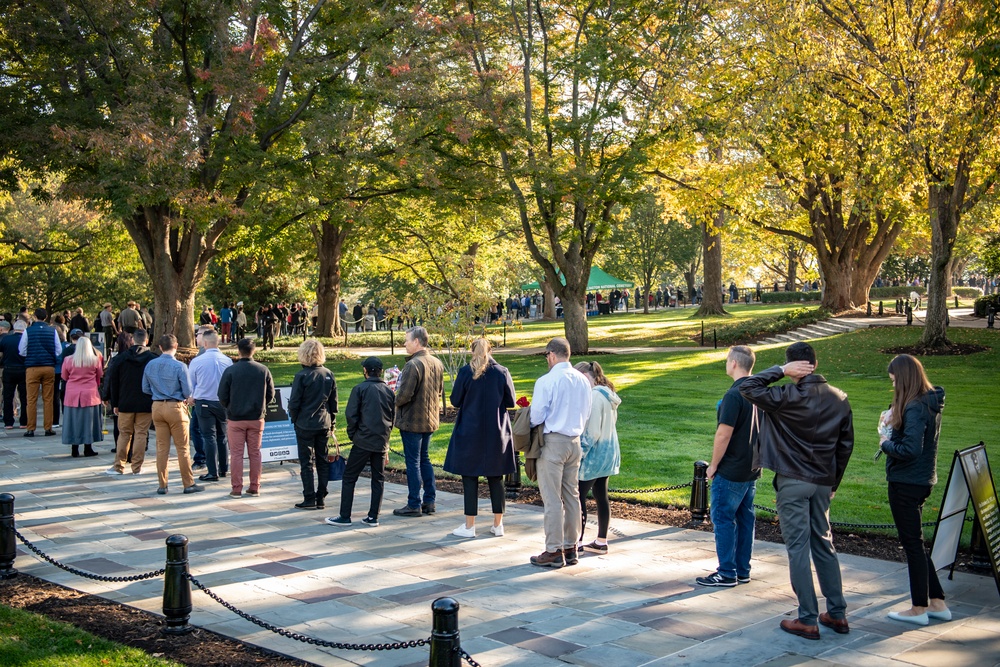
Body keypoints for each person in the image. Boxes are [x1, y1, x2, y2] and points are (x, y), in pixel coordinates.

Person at [740, 342, 853, 640]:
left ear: (795, 366)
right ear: (815, 363)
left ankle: (807, 618)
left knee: (798, 549)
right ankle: (837, 613)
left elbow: (747, 386)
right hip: (822, 482)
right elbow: (845, 446)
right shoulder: (840, 398)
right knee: (823, 543)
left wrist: (779, 371)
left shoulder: (785, 394)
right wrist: (833, 484)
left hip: (793, 480)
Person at [880, 354, 950, 626]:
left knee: (912, 545)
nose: (894, 385)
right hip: (921, 480)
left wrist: (885, 442)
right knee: (917, 544)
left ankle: (919, 607)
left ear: (904, 378)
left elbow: (910, 450)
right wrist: (892, 418)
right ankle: (938, 602)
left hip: (907, 483)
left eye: (895, 380)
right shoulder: (926, 402)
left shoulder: (915, 407)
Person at [698, 346, 760, 587]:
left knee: (723, 518)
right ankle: (742, 570)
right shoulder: (757, 392)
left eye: (727, 360)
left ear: (734, 363)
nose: (726, 363)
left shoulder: (734, 395)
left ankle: (726, 572)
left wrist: (714, 465)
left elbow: (723, 434)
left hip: (732, 468)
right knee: (745, 519)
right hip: (751, 467)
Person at [528, 337, 593, 568]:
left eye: (547, 356)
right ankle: (570, 546)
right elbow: (587, 412)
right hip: (575, 441)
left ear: (552, 355)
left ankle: (554, 549)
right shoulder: (583, 380)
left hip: (553, 441)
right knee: (572, 496)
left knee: (552, 498)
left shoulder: (547, 381)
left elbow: (536, 416)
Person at [443, 338, 516, 538]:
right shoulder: (502, 372)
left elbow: (455, 400)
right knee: (496, 478)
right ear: (490, 351)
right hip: (496, 430)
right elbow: (510, 401)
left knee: (469, 478)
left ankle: (469, 526)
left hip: (470, 430)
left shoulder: (466, 372)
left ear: (472, 351)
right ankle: (498, 524)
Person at [325, 357, 395, 527]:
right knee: (378, 479)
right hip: (380, 440)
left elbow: (351, 415)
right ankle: (373, 516)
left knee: (349, 477)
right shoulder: (388, 391)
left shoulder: (360, 389)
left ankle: (345, 515)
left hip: (363, 441)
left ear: (366, 371)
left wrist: (353, 435)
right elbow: (392, 417)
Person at [392, 326, 445, 517]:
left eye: (407, 340)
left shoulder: (413, 365)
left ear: (416, 342)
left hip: (412, 420)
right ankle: (429, 501)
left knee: (413, 461)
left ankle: (414, 503)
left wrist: (393, 399)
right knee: (424, 459)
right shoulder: (437, 363)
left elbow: (404, 395)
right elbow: (439, 390)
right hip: (429, 419)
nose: (404, 343)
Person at [142, 334, 203, 495]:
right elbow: (188, 391)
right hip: (175, 406)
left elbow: (145, 388)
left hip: (157, 406)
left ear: (160, 347)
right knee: (182, 448)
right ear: (176, 346)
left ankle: (162, 485)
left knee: (162, 448)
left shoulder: (150, 365)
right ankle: (188, 483)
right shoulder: (180, 366)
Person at [573, 360, 621, 553]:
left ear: (585, 377)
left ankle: (576, 541)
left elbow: (592, 432)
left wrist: (579, 453)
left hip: (594, 456)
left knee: (578, 497)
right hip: (609, 453)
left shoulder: (593, 397)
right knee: (602, 496)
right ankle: (601, 540)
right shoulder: (607, 394)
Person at [218, 338, 275, 498]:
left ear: (238, 351)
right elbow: (270, 394)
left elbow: (222, 394)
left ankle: (236, 488)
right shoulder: (263, 370)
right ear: (254, 350)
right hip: (256, 417)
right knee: (255, 452)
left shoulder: (231, 371)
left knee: (236, 454)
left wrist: (230, 406)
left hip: (235, 417)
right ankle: (255, 486)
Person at [287, 339, 338, 510]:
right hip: (323, 422)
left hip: (305, 423)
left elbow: (294, 402)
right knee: (322, 460)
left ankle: (309, 497)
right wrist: (333, 423)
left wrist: (294, 419)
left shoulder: (301, 376)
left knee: (306, 462)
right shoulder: (328, 374)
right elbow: (333, 403)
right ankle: (321, 495)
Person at [104, 329, 156, 475]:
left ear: (132, 340)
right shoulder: (152, 358)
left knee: (124, 434)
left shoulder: (120, 359)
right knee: (141, 433)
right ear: (146, 341)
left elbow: (114, 382)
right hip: (146, 402)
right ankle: (137, 467)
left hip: (125, 402)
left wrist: (115, 403)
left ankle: (118, 465)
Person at [188, 330, 233, 482]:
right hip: (222, 403)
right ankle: (224, 468)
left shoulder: (197, 361)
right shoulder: (227, 360)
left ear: (205, 343)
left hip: (204, 402)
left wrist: (192, 396)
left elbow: (191, 383)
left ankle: (212, 471)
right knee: (222, 436)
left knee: (209, 437)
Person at [19, 308, 61, 438]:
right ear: (46, 317)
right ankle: (48, 428)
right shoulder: (52, 331)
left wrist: (31, 355)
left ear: (35, 317)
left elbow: (22, 350)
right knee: (48, 399)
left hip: (32, 367)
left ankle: (30, 428)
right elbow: (58, 350)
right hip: (48, 367)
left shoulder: (28, 331)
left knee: (31, 399)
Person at [60, 335, 104, 458]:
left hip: (72, 393)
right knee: (89, 421)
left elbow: (64, 376)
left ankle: (74, 448)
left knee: (73, 421)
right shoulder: (95, 360)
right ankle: (88, 447)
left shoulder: (68, 360)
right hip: (90, 393)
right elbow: (99, 375)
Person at [1, 320, 27, 430]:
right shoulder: (26, 339)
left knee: (8, 396)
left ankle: (8, 422)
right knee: (24, 397)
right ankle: (24, 421)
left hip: (8, 369)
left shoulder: (6, 339)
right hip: (23, 370)